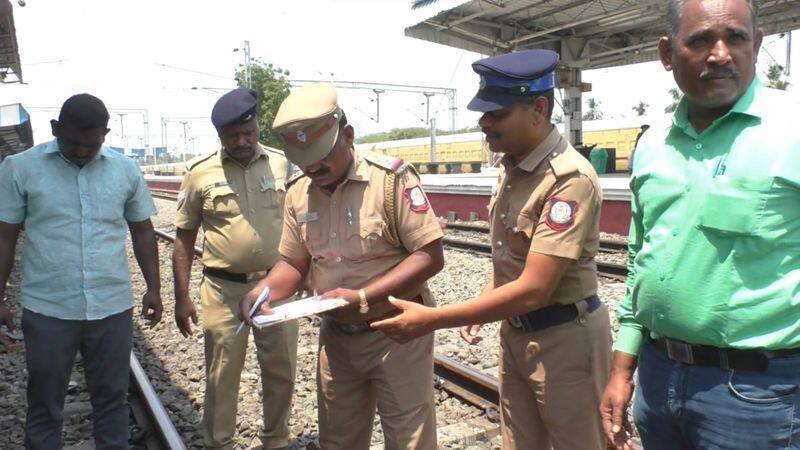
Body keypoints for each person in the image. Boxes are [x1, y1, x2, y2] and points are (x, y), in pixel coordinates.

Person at [371, 50, 612, 450]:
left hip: (565, 340)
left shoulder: (568, 179)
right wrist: (486, 301)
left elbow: (535, 287)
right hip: (516, 333)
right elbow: (513, 256)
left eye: (497, 113)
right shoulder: (513, 167)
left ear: (538, 108)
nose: (484, 122)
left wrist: (433, 319)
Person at [600, 1, 800, 449]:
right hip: (656, 377)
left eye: (736, 37)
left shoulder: (793, 132)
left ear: (758, 44)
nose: (720, 54)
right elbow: (639, 261)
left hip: (756, 395)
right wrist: (621, 369)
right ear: (667, 54)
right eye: (701, 40)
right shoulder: (652, 145)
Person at [239, 82, 445, 450]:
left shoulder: (390, 180)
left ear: (347, 135)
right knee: (339, 441)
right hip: (337, 339)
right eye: (303, 159)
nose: (313, 166)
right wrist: (262, 293)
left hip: (396, 334)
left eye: (321, 154)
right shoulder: (299, 192)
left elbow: (430, 255)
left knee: (409, 441)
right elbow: (293, 261)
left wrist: (363, 297)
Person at [0, 93, 163, 448]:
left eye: (92, 143)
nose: (81, 152)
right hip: (48, 308)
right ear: (55, 128)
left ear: (106, 132)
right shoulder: (20, 168)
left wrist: (154, 288)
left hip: (112, 306)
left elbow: (143, 230)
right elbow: (5, 237)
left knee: (112, 399)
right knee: (44, 402)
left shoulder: (125, 170)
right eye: (72, 142)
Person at [172, 87, 299, 450]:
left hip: (277, 287)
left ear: (259, 126)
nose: (243, 141)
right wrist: (181, 297)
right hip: (223, 291)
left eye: (249, 132)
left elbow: (302, 220)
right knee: (222, 375)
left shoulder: (282, 163)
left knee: (282, 370)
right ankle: (219, 443)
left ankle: (276, 440)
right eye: (233, 136)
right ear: (220, 136)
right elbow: (183, 238)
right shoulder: (199, 173)